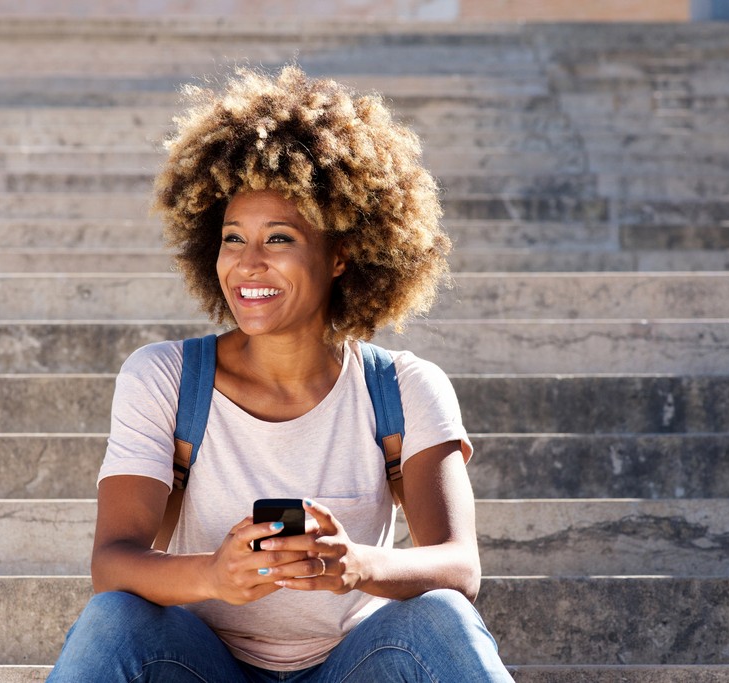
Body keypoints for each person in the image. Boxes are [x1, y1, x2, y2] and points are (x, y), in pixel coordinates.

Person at [47, 65, 514, 682]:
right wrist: (213, 574)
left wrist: (355, 565)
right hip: (203, 665)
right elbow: (112, 564)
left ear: (342, 254)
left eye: (280, 239)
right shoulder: (164, 378)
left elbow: (459, 567)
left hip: (350, 667)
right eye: (233, 238)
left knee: (441, 619)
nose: (248, 264)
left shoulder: (403, 388)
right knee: (114, 619)